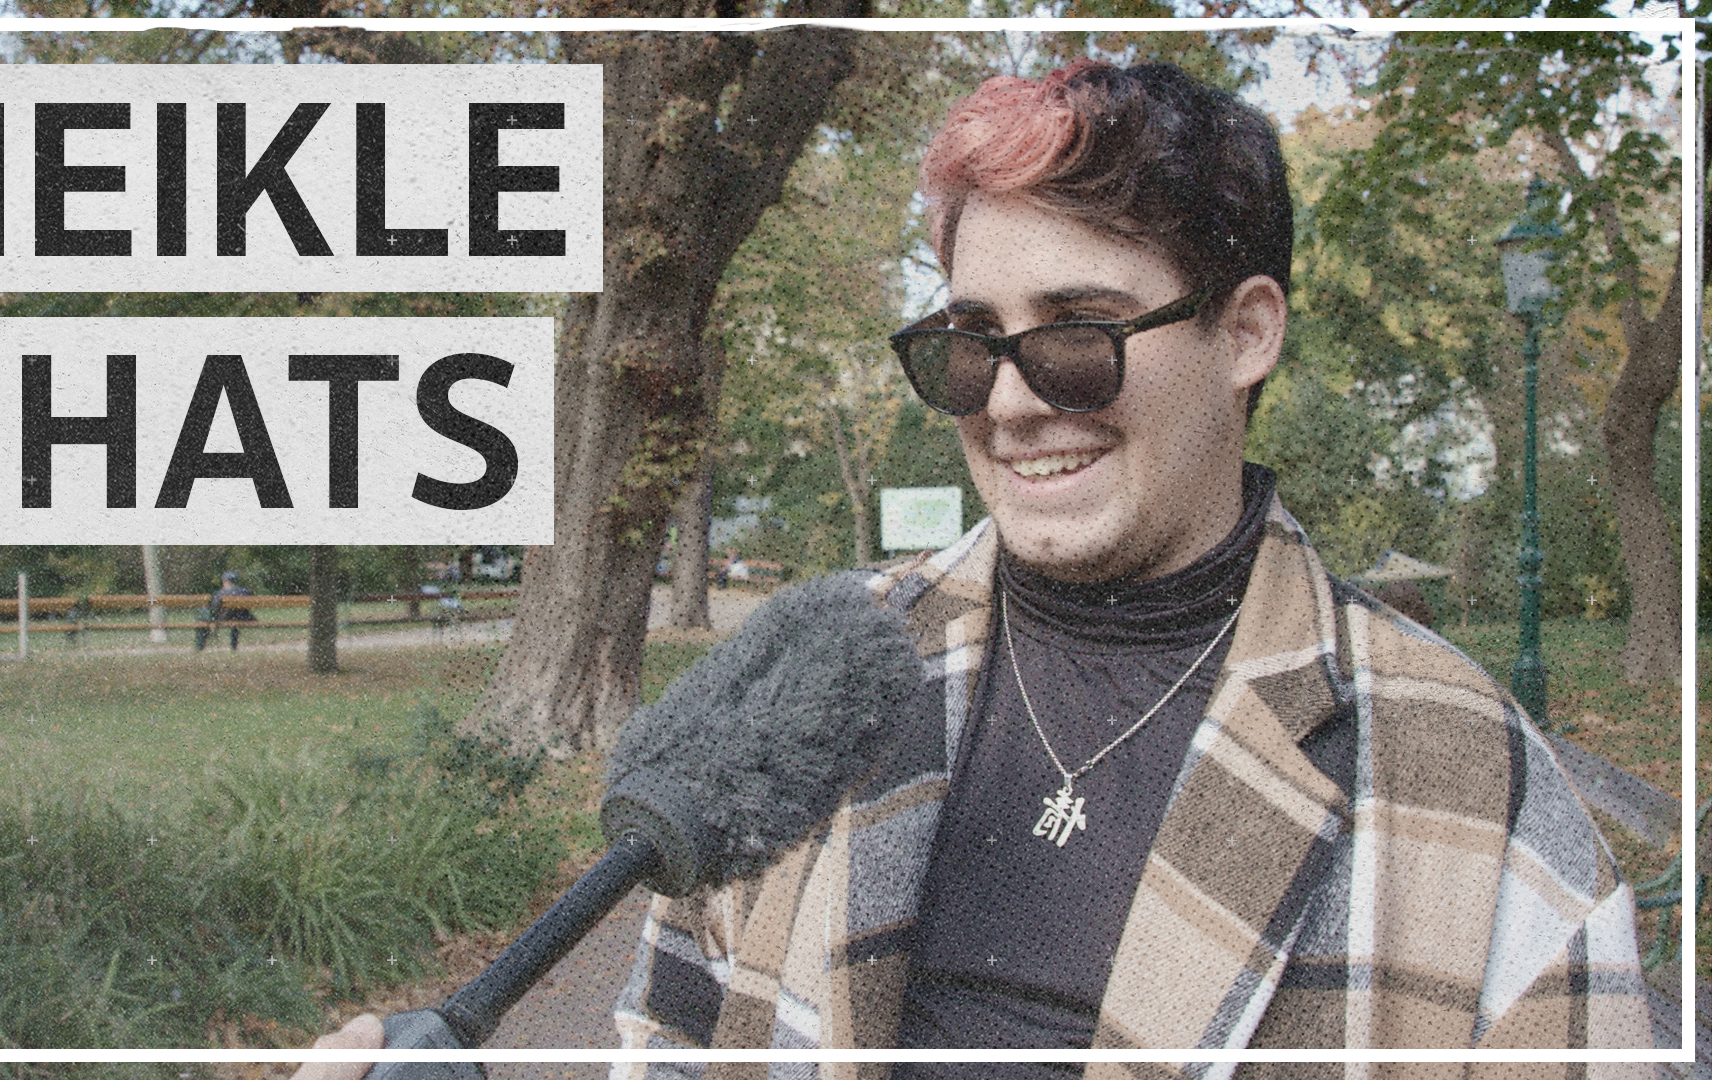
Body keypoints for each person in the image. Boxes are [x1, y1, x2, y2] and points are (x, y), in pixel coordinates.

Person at [611, 59, 1653, 1068]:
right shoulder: (817, 669)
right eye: (972, 342)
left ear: (1245, 334)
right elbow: (670, 1032)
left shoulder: (1467, 777)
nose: (1009, 403)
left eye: (1077, 336)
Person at [194, 570, 255, 652]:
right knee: (234, 620)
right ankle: (233, 646)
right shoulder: (245, 591)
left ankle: (199, 646)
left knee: (202, 620)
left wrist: (212, 617)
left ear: (225, 581)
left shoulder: (220, 593)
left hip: (225, 618)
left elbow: (214, 607)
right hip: (243, 617)